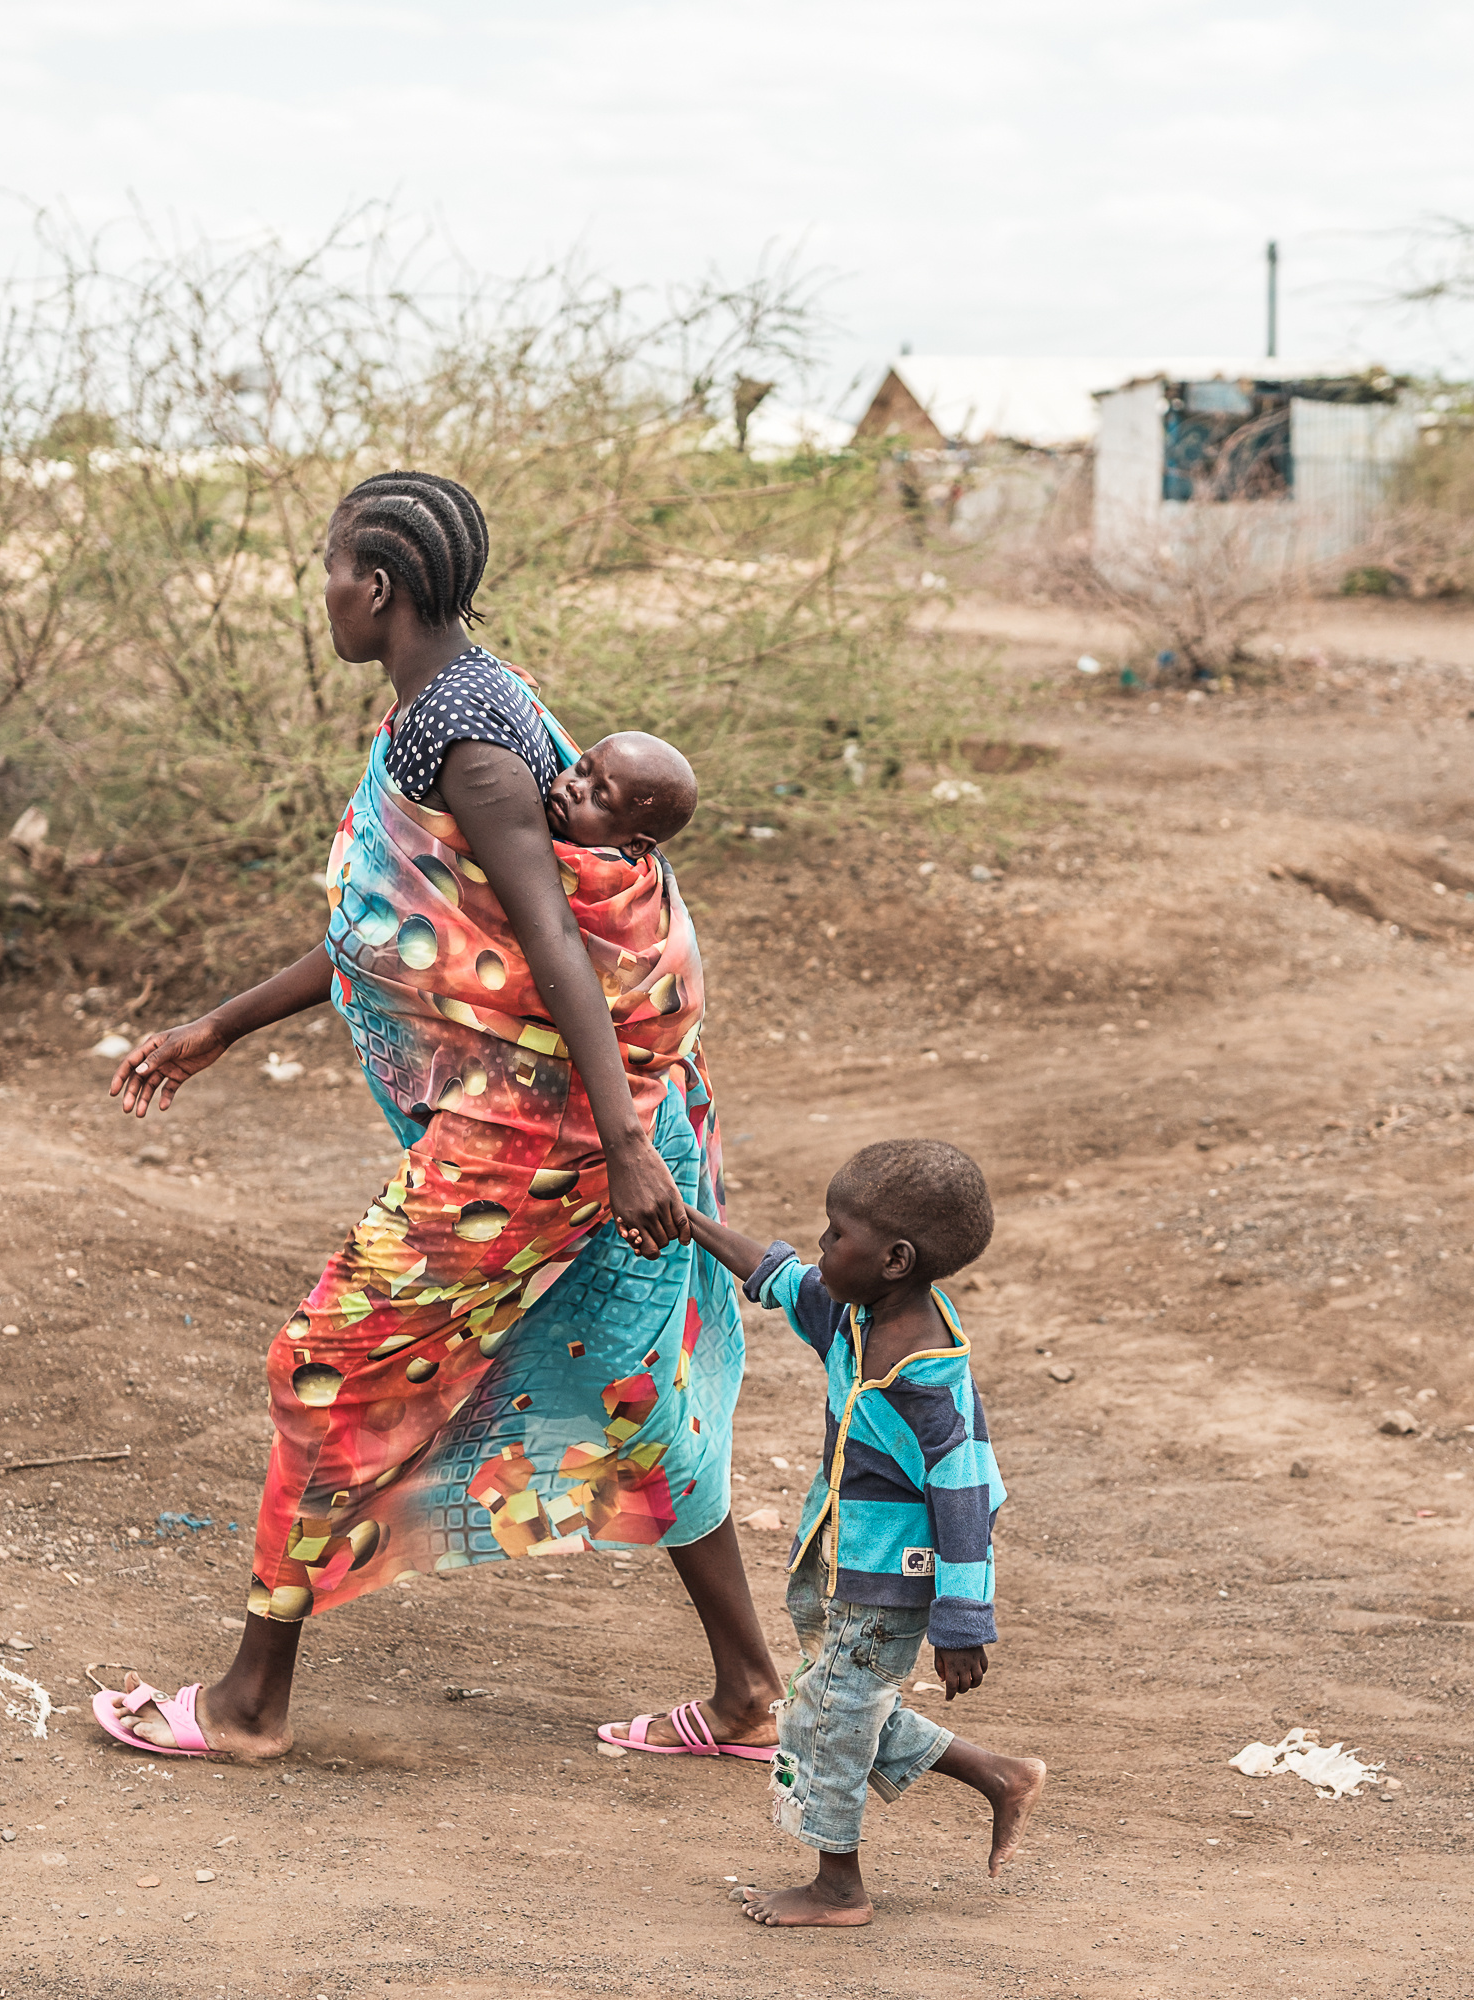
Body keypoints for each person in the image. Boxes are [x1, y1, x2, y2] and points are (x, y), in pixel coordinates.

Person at [92, 470, 783, 1764]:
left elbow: (553, 945)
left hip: (556, 1140)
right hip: (596, 1130)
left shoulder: (468, 742)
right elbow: (395, 937)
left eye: (331, 575)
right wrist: (221, 1027)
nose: (326, 598)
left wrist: (628, 1152)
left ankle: (249, 1704)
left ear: (381, 587)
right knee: (634, 1383)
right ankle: (747, 1693)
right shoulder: (475, 698)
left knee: (329, 1361)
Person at [676, 1138, 1048, 1928]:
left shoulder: (925, 1378)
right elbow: (774, 1273)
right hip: (843, 1555)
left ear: (894, 1258)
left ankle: (838, 1886)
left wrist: (961, 1623)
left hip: (893, 1577)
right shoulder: (859, 1313)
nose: (820, 1246)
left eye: (836, 1234)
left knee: (828, 1715)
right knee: (840, 1701)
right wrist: (686, 1221)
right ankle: (997, 1775)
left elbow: (967, 1502)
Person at [545, 730, 698, 860]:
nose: (575, 787)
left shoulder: (610, 888)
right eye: (581, 770)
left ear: (635, 845)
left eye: (599, 799)